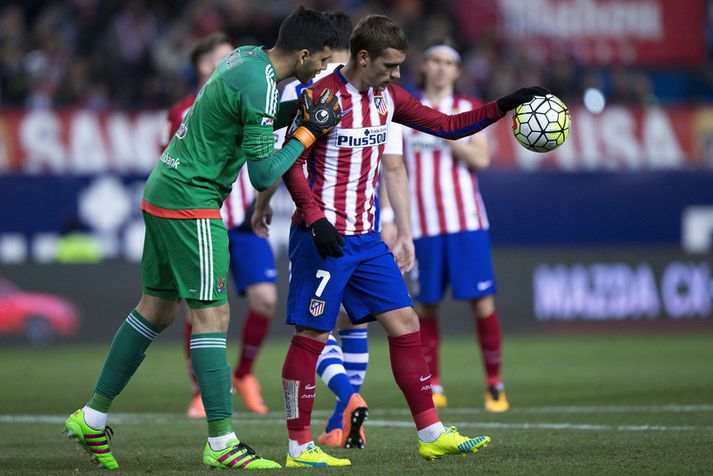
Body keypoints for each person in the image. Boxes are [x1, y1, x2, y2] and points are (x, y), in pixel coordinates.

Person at [257, 13, 548, 467]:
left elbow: (448, 125)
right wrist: (314, 218)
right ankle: (298, 448)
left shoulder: (387, 98)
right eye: (390, 66)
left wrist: (505, 104)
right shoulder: (320, 97)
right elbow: (290, 161)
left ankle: (431, 434)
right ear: (363, 56)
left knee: (406, 324)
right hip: (323, 238)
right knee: (312, 336)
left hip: (368, 240)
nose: (397, 75)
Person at [63, 7, 341, 470]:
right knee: (212, 316)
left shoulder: (246, 57)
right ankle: (222, 443)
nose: (325, 69)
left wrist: (296, 112)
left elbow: (251, 113)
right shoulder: (263, 84)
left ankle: (91, 417)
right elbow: (263, 174)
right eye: (324, 60)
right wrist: (309, 131)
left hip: (163, 188)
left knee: (157, 308)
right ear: (306, 54)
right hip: (193, 199)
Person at [258, 10, 373, 450]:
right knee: (357, 323)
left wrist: (261, 208)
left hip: (320, 222)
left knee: (313, 328)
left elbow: (284, 161)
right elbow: (393, 166)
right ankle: (337, 423)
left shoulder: (302, 88)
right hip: (367, 220)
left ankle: (346, 398)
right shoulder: (374, 88)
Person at [165, 32, 276, 419]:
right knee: (200, 309)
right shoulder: (182, 110)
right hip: (202, 216)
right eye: (221, 57)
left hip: (244, 220)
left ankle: (245, 374)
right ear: (202, 65)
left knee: (265, 299)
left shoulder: (252, 97)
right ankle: (201, 390)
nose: (234, 64)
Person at [402, 40, 509, 412]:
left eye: (449, 62)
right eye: (435, 60)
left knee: (482, 302)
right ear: (424, 66)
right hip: (423, 225)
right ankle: (434, 384)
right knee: (427, 306)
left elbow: (481, 157)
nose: (442, 67)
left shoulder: (467, 110)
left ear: (458, 71)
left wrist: (447, 132)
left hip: (466, 221)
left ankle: (494, 383)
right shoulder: (408, 112)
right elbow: (393, 170)